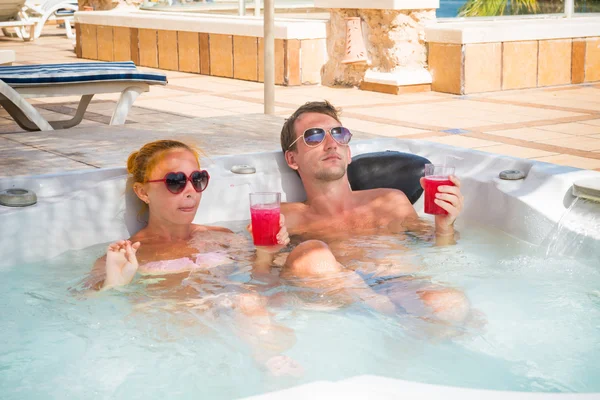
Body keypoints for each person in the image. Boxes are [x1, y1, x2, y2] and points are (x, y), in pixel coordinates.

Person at [84, 139, 305, 377]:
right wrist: (113, 285)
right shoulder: (128, 255)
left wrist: (266, 252)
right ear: (142, 192)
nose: (190, 191)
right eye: (175, 182)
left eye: (197, 180)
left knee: (247, 300)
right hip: (172, 344)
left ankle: (271, 362)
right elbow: (84, 307)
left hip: (236, 334)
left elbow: (263, 283)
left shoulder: (223, 238)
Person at [277, 101, 471, 325]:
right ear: (292, 159)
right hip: (335, 295)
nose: (331, 144)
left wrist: (445, 227)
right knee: (312, 255)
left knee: (449, 303)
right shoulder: (285, 217)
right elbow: (258, 274)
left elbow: (439, 252)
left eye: (338, 134)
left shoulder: (390, 201)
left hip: (400, 287)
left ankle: (395, 322)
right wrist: (266, 252)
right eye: (314, 136)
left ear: (348, 153)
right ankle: (385, 312)